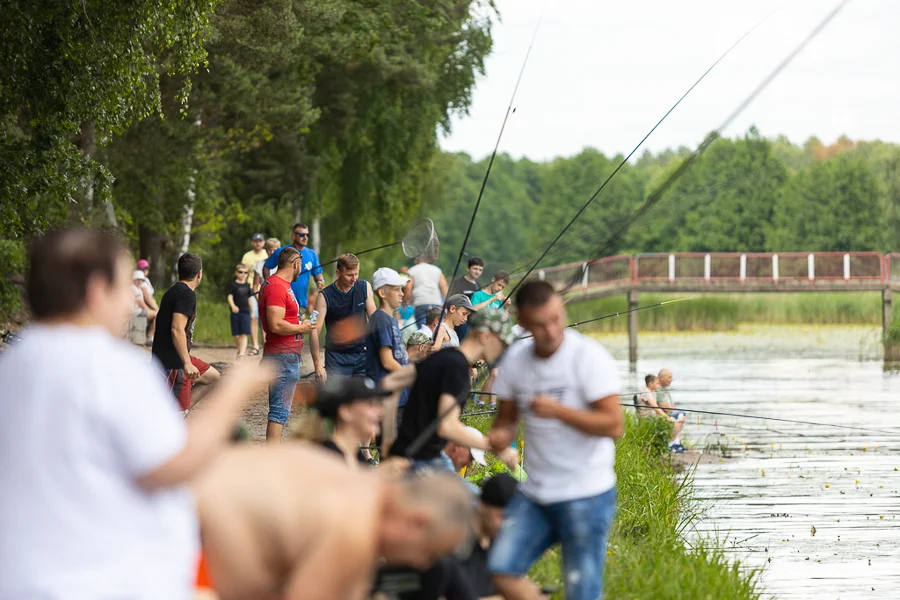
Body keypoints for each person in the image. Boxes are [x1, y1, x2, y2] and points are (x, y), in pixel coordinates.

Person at [0, 228, 271, 600]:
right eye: (123, 288)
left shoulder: (14, 362)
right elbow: (174, 463)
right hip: (97, 582)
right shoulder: (108, 365)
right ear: (97, 290)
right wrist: (237, 388)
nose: (130, 306)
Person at [191, 444, 474, 600]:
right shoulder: (356, 524)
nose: (423, 564)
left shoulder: (362, 490)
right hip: (183, 552)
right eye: (430, 552)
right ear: (416, 523)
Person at [487, 280, 623, 600]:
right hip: (536, 493)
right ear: (521, 323)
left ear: (562, 310)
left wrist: (559, 411)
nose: (551, 331)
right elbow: (505, 421)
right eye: (540, 324)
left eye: (556, 319)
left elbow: (613, 425)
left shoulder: (589, 356)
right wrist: (499, 436)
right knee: (500, 569)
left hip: (587, 492)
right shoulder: (515, 361)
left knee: (582, 591)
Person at [386, 308, 519, 474]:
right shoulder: (458, 368)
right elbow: (447, 427)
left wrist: (388, 442)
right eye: (502, 343)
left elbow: (390, 382)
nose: (503, 351)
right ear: (485, 336)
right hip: (421, 463)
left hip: (410, 455)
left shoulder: (444, 356)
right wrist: (498, 449)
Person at [152, 252, 221, 413]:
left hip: (176, 358)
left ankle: (184, 410)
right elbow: (176, 329)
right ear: (199, 274)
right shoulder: (186, 295)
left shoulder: (174, 291)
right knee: (173, 419)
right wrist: (186, 363)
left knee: (212, 377)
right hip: (174, 364)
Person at [259, 247, 315, 443]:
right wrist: (302, 327)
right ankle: (271, 463)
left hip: (286, 355)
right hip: (281, 356)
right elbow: (275, 324)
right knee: (278, 412)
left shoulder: (282, 285)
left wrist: (301, 323)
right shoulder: (276, 286)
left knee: (280, 411)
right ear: (296, 264)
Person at [310, 254, 377, 381]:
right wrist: (317, 364)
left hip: (362, 355)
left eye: (356, 274)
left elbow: (375, 319)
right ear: (338, 273)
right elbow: (314, 329)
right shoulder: (324, 296)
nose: (354, 279)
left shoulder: (364, 287)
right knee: (339, 399)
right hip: (336, 358)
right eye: (349, 275)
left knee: (361, 399)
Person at [459, 473, 519, 600]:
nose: (506, 526)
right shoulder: (457, 544)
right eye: (501, 517)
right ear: (482, 507)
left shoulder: (497, 545)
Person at [263, 223, 325, 316]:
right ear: (293, 235)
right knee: (281, 328)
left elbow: (318, 274)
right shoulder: (282, 251)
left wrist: (319, 281)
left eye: (307, 235)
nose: (305, 237)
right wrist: (268, 284)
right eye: (301, 235)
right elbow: (266, 267)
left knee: (298, 329)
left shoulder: (312, 254)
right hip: (281, 298)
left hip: (301, 302)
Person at [637, 374, 686, 453]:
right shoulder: (646, 392)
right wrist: (666, 417)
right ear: (650, 383)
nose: (658, 385)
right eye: (656, 383)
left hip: (654, 417)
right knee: (673, 420)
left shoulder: (652, 392)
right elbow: (655, 407)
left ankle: (675, 443)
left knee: (680, 416)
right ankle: (671, 444)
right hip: (648, 419)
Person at [241, 233, 269, 356]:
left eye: (260, 241)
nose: (258, 243)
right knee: (253, 317)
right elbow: (243, 272)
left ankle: (266, 344)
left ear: (263, 243)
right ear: (252, 242)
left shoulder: (267, 254)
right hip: (251, 289)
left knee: (265, 317)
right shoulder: (247, 256)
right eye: (255, 241)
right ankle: (255, 345)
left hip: (265, 289)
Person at [405, 254, 448, 328]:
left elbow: (408, 286)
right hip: (435, 302)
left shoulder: (412, 270)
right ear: (427, 260)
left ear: (416, 260)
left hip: (420, 302)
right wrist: (447, 302)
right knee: (436, 328)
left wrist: (406, 299)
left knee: (423, 329)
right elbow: (444, 286)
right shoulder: (437, 270)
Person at [448, 257, 484, 342]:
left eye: (480, 270)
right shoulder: (458, 282)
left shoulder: (478, 286)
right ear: (468, 268)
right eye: (475, 268)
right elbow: (450, 300)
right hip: (458, 321)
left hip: (471, 322)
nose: (477, 272)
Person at [226, 264, 253, 358]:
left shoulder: (248, 285)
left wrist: (252, 310)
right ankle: (239, 350)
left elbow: (249, 298)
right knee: (236, 335)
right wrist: (233, 306)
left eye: (245, 272)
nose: (243, 274)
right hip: (235, 313)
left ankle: (242, 353)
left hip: (246, 312)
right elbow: (229, 297)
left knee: (244, 333)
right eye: (241, 272)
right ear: (236, 273)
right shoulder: (233, 285)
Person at [657, 368, 686, 451]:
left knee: (681, 415)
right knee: (680, 415)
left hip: (669, 412)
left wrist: (676, 411)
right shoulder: (659, 389)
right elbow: (663, 406)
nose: (671, 380)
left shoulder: (666, 389)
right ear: (662, 377)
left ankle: (676, 442)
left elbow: (672, 404)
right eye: (669, 377)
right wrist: (676, 413)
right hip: (663, 415)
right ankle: (673, 443)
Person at [131, 269, 158, 340]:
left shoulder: (137, 288)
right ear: (134, 279)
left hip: (138, 310)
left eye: (141, 280)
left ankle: (150, 336)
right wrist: (149, 310)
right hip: (135, 311)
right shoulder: (133, 288)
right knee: (156, 315)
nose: (140, 282)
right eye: (138, 279)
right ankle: (149, 336)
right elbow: (140, 303)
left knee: (155, 313)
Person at [137, 258, 159, 342]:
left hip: (147, 305)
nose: (145, 270)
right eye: (143, 269)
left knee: (158, 313)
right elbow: (147, 297)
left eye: (146, 268)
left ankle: (151, 336)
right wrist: (156, 309)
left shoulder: (146, 280)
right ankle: (149, 337)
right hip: (143, 306)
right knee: (158, 314)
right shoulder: (140, 281)